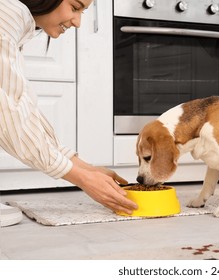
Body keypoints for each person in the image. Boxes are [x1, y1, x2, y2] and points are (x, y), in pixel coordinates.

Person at [0, 0, 137, 227]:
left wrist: (84, 167)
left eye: (83, 12)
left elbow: (21, 106)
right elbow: (7, 115)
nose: (78, 22)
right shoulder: (7, 14)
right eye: (75, 7)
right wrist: (80, 177)